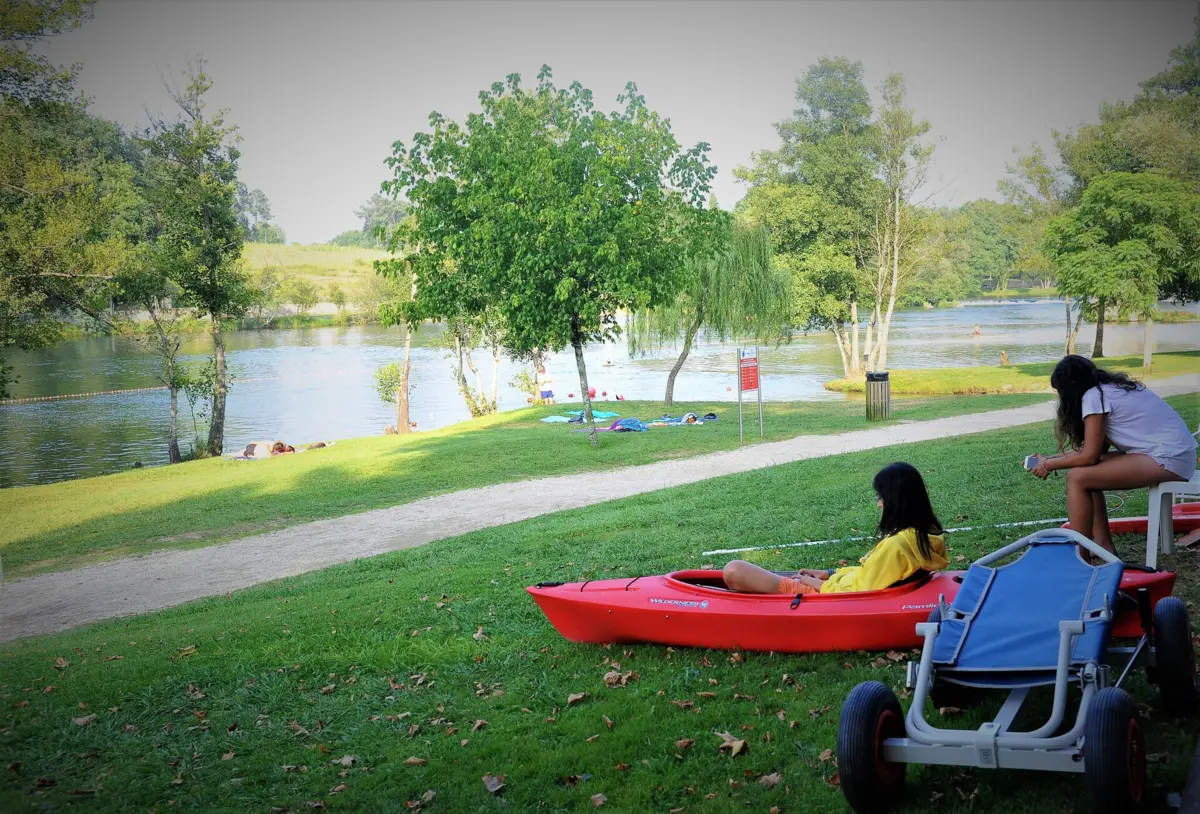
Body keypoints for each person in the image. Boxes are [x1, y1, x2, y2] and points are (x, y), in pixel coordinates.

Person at [1027, 355, 1197, 556]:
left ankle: (1079, 556)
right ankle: (1103, 548)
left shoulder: (1093, 397)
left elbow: (1089, 456)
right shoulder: (1112, 388)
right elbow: (1094, 453)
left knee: (1077, 477)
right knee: (1084, 473)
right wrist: (1048, 459)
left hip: (1168, 459)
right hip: (1175, 456)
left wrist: (1048, 465)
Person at [723, 462, 948, 594]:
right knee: (743, 573)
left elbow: (861, 592)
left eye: (881, 497)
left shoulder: (897, 545)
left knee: (733, 570)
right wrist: (830, 574)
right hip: (831, 586)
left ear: (897, 501)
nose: (879, 503)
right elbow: (871, 574)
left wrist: (816, 584)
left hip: (826, 596)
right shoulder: (922, 537)